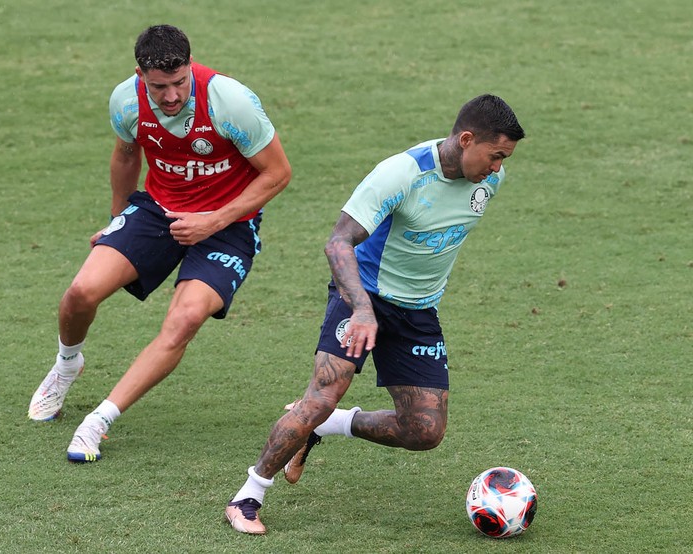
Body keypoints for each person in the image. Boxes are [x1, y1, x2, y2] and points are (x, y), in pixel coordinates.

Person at [224, 94, 525, 534]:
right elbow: (338, 242)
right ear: (466, 139)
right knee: (323, 394)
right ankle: (248, 495)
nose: (498, 167)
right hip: (362, 296)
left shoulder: (489, 181)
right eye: (495, 155)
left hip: (418, 310)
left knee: (424, 431)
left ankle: (333, 426)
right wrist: (362, 309)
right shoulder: (401, 174)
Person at [27, 24, 292, 463]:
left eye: (179, 83)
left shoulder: (231, 102)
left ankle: (99, 421)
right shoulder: (126, 100)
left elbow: (278, 173)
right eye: (159, 87)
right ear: (140, 75)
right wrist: (115, 221)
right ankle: (67, 363)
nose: (170, 96)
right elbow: (126, 155)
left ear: (191, 66)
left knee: (185, 318)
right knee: (80, 293)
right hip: (158, 208)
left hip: (229, 222)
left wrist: (213, 221)